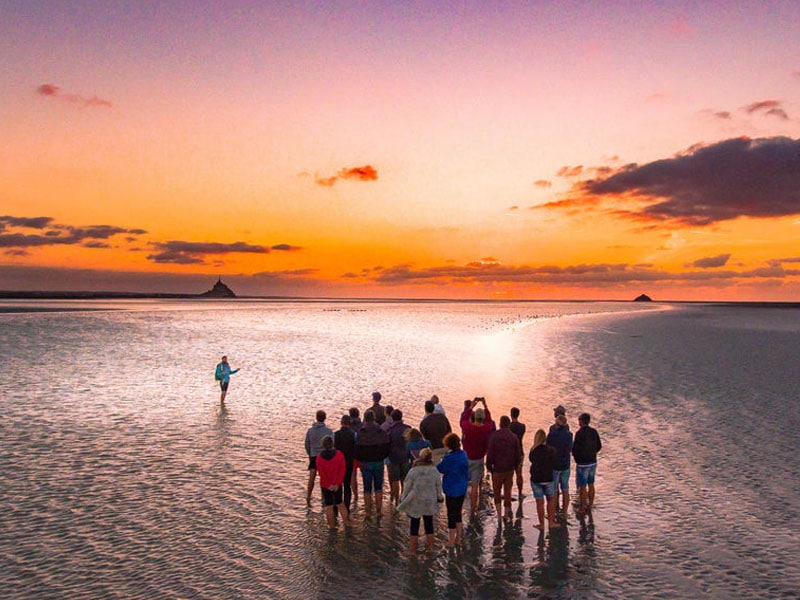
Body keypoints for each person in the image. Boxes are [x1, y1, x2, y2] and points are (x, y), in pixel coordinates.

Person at [397, 448, 443, 555]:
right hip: (429, 501)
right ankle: (431, 548)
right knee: (429, 524)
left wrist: (402, 499)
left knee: (414, 525)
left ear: (420, 457)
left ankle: (413, 550)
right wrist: (439, 497)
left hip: (416, 502)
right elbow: (438, 486)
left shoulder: (413, 471)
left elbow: (407, 487)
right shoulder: (434, 470)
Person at [460, 397, 494, 516]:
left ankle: (460, 508)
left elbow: (463, 419)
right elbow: (490, 421)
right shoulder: (486, 429)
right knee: (475, 486)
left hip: (467, 458)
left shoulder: (468, 427)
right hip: (479, 459)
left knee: (463, 483)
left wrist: (471, 407)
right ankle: (473, 510)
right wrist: (485, 405)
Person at [485, 415, 523, 522]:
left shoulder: (494, 436)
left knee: (497, 492)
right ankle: (506, 514)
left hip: (497, 469)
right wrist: (515, 466)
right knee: (508, 492)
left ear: (500, 423)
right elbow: (518, 454)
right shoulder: (514, 437)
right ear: (509, 424)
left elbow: (490, 453)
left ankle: (498, 514)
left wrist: (489, 467)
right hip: (509, 469)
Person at [354, 409, 390, 517]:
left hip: (365, 462)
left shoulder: (361, 432)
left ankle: (368, 512)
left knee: (367, 488)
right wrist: (382, 457)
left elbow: (356, 449)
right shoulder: (380, 431)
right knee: (378, 487)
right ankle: (379, 511)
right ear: (374, 418)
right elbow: (386, 446)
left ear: (365, 418)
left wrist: (361, 459)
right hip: (378, 461)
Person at [437, 432, 469, 547]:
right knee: (458, 513)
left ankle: (451, 540)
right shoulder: (463, 454)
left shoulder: (448, 458)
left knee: (451, 514)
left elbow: (440, 469)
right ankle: (459, 538)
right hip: (462, 487)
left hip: (451, 489)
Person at [315, 436, 351, 529]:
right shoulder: (339, 455)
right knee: (340, 504)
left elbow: (321, 473)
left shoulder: (319, 458)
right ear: (332, 444)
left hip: (326, 485)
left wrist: (328, 485)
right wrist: (337, 483)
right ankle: (347, 523)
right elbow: (342, 470)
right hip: (337, 484)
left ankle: (331, 527)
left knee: (329, 506)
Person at [529, 429, 559, 531]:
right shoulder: (552, 450)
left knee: (539, 502)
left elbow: (531, 460)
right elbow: (555, 462)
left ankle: (541, 524)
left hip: (536, 479)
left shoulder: (533, 451)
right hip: (548, 478)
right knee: (550, 500)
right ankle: (551, 522)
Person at [572, 412, 602, 513]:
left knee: (582, 486)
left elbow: (575, 449)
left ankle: (581, 507)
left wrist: (577, 459)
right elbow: (599, 446)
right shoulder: (594, 431)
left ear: (581, 421)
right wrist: (593, 453)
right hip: (592, 461)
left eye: (579, 420)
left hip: (582, 463)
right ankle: (590, 505)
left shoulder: (579, 433)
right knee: (591, 484)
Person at [546, 413, 573, 517]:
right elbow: (570, 448)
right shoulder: (569, 435)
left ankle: (555, 511)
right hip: (565, 464)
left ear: (557, 423)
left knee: (555, 489)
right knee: (565, 489)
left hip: (555, 465)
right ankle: (565, 512)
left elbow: (547, 449)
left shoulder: (552, 435)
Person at [305, 410, 333, 505]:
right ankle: (323, 498)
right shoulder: (328, 431)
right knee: (324, 478)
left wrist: (310, 453)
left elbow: (307, 444)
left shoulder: (310, 431)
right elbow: (331, 445)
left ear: (316, 418)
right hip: (324, 456)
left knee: (311, 478)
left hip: (313, 456)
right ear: (324, 418)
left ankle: (308, 497)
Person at [386, 409, 411, 505]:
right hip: (405, 456)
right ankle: (404, 498)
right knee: (404, 479)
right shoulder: (408, 428)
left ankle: (396, 501)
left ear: (392, 418)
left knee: (395, 480)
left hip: (393, 457)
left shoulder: (390, 430)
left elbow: (388, 444)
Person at [334, 414, 356, 513]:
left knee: (338, 485)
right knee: (347, 486)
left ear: (341, 422)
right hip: (349, 462)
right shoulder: (354, 434)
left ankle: (336, 507)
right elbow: (355, 448)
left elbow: (334, 449)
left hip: (338, 463)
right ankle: (347, 508)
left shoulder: (336, 434)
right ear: (349, 423)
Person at [419, 399, 452, 464]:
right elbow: (449, 431)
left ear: (425, 409)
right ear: (434, 408)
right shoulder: (442, 417)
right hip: (446, 447)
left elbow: (426, 439)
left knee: (438, 470)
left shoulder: (423, 423)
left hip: (435, 450)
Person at [509, 407, 527, 499]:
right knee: (519, 474)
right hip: (520, 451)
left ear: (511, 414)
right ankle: (520, 493)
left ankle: (509, 492)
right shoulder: (522, 426)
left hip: (510, 452)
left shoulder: (508, 426)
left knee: (510, 474)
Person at [348, 407, 362, 504]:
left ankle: (356, 496)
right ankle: (368, 493)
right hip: (362, 454)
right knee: (365, 473)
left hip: (352, 455)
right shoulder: (362, 425)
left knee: (353, 476)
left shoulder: (349, 427)